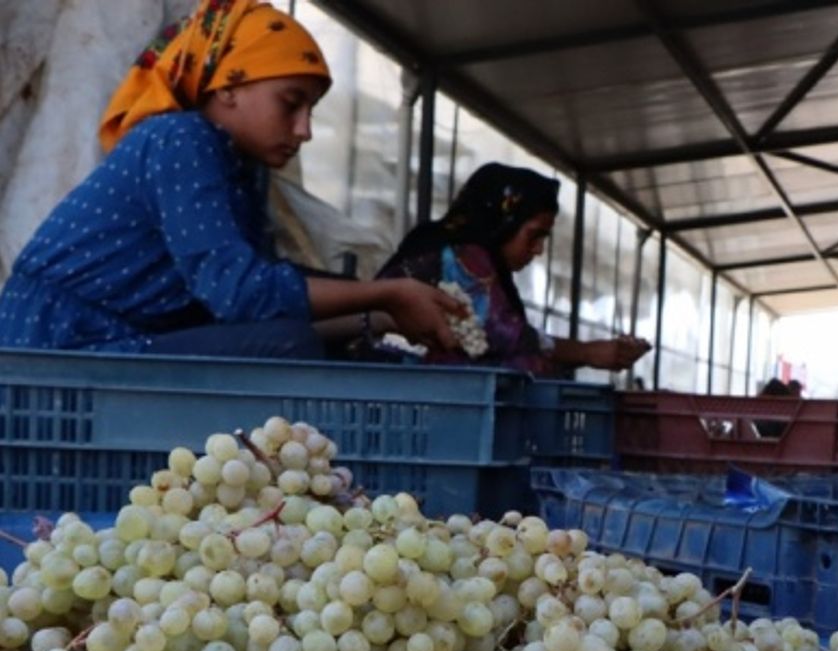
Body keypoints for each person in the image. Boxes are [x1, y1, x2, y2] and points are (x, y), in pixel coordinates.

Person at [0, 0, 462, 359]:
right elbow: (241, 295)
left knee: (301, 340)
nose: (304, 129)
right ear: (227, 87)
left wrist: (382, 315)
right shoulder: (180, 140)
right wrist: (387, 292)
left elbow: (262, 297)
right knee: (286, 345)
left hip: (113, 345)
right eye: (290, 103)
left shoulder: (239, 171)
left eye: (311, 111)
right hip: (60, 350)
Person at [363, 163, 652, 376]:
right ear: (503, 224)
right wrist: (588, 352)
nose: (538, 250)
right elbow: (498, 334)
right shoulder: (461, 256)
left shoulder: (454, 248)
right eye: (533, 235)